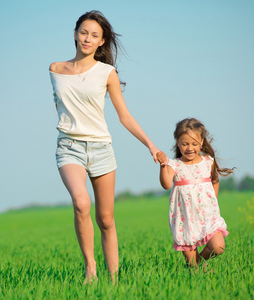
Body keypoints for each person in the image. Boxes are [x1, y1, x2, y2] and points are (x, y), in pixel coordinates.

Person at [49, 10, 167, 283]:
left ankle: (114, 281)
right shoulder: (55, 69)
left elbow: (124, 116)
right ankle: (91, 268)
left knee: (106, 219)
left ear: (102, 42)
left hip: (101, 148)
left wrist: (150, 145)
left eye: (94, 35)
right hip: (69, 146)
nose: (87, 39)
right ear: (75, 33)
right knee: (80, 203)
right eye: (83, 32)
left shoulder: (107, 72)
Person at [156, 118, 234, 269]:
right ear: (177, 142)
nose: (189, 148)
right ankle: (197, 271)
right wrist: (163, 166)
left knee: (219, 247)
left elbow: (215, 180)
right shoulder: (175, 165)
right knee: (193, 269)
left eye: (194, 144)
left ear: (202, 142)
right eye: (185, 144)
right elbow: (166, 185)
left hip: (208, 217)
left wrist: (214, 201)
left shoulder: (208, 162)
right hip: (185, 220)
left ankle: (199, 263)